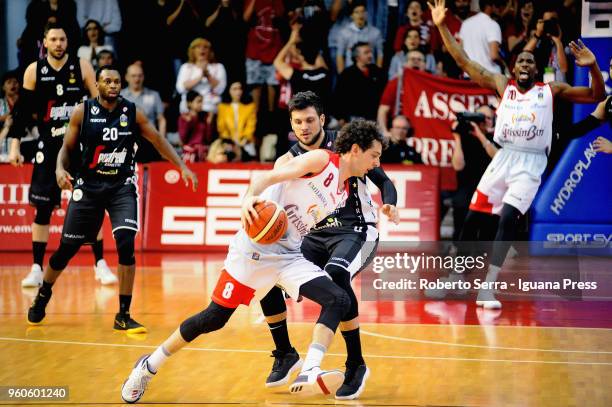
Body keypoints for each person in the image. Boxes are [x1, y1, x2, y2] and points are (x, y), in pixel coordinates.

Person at [121, 119, 386, 403]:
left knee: (338, 299)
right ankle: (148, 366)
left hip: (287, 257)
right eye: (375, 155)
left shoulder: (343, 192)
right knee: (214, 318)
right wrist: (250, 197)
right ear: (356, 150)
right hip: (253, 250)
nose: (376, 163)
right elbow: (267, 178)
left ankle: (310, 369)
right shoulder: (321, 159)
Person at [430, 0, 605, 308]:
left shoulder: (551, 91)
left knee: (508, 218)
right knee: (471, 220)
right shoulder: (502, 85)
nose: (525, 64)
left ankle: (488, 288)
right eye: (520, 60)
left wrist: (591, 66)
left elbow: (595, 96)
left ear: (536, 69)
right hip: (503, 158)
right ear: (513, 68)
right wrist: (441, 25)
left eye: (529, 61)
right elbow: (465, 62)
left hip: (530, 163)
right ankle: (455, 276)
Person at [26, 65, 198, 333]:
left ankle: (123, 314)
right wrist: (60, 169)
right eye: (107, 81)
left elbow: (158, 140)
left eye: (117, 81)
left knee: (126, 243)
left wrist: (182, 166)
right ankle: (44, 292)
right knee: (66, 250)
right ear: (97, 84)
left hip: (121, 186)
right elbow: (66, 149)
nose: (113, 85)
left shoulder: (131, 112)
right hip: (89, 186)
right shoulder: (83, 112)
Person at [259, 91, 399, 400]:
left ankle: (356, 363)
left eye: (310, 120)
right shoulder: (289, 159)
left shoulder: (349, 144)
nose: (304, 127)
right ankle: (284, 352)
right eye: (298, 122)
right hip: (314, 236)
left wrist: (390, 204)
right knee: (267, 271)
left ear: (322, 119)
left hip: (356, 230)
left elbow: (385, 181)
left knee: (337, 274)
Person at [7, 22, 117, 288]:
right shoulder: (35, 70)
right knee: (42, 208)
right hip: (48, 145)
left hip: (80, 146)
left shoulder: (82, 67)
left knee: (91, 204)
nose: (58, 43)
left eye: (62, 39)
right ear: (45, 42)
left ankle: (100, 264)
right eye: (53, 39)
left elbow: (101, 101)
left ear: (68, 42)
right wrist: (14, 143)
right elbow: (22, 111)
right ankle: (36, 267)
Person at [121, 62, 167, 163]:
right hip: (126, 141)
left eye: (139, 76)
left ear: (143, 77)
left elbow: (161, 119)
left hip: (150, 141)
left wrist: (162, 141)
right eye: (133, 76)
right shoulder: (120, 97)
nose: (136, 79)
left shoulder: (154, 95)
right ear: (126, 77)